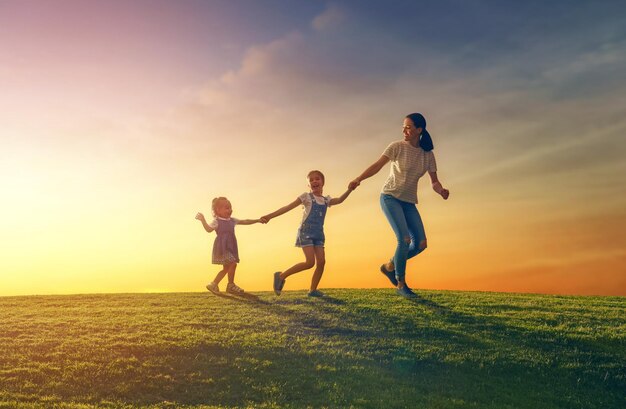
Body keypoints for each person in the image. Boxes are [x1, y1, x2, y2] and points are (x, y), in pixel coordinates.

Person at [349, 113, 449, 298]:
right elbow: (377, 165)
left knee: (420, 244)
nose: (404, 130)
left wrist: (441, 191)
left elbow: (434, 181)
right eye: (404, 126)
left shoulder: (428, 155)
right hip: (390, 197)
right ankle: (401, 284)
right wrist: (358, 179)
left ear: (419, 130)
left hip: (409, 202)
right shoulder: (397, 147)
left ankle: (389, 266)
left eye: (409, 127)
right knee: (404, 240)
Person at [261, 170, 353, 297]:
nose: (314, 181)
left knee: (321, 262)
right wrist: (270, 216)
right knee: (310, 262)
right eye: (311, 180)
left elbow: (340, 200)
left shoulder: (326, 200)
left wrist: (349, 189)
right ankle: (281, 276)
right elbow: (287, 207)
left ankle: (313, 290)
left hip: (319, 234)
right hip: (306, 232)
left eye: (317, 179)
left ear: (323, 182)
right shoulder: (306, 197)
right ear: (309, 185)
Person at [195, 197, 262, 295]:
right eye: (227, 208)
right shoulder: (217, 221)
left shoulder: (232, 220)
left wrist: (257, 220)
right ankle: (231, 285)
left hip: (231, 247)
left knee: (226, 268)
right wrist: (203, 220)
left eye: (230, 207)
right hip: (223, 248)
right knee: (233, 263)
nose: (230, 210)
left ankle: (214, 284)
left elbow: (245, 221)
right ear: (218, 210)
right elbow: (209, 229)